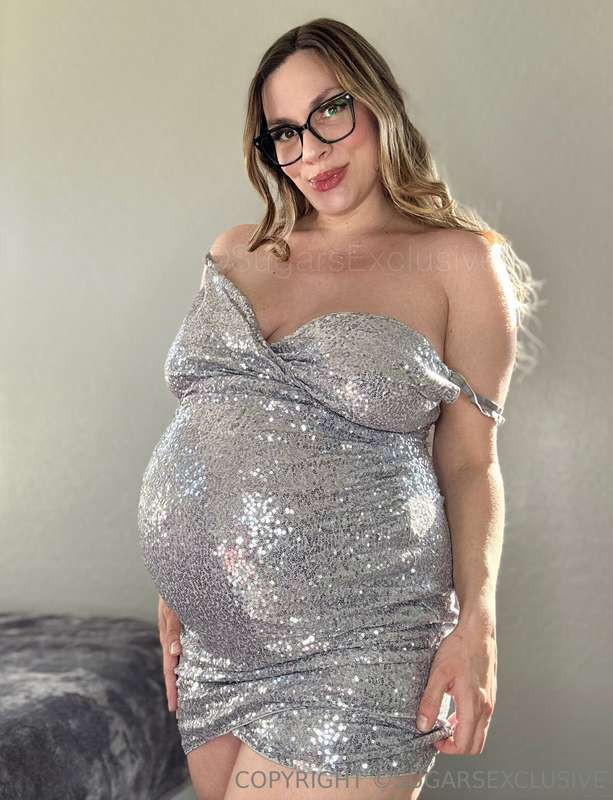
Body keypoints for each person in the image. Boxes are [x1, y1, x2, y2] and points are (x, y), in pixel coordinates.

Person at [139, 17, 542, 800]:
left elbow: (469, 462)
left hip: (361, 641)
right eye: (283, 133)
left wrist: (477, 624)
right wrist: (184, 580)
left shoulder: (458, 262)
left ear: (377, 103)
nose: (312, 152)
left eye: (330, 110)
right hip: (217, 642)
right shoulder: (233, 251)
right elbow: (217, 423)